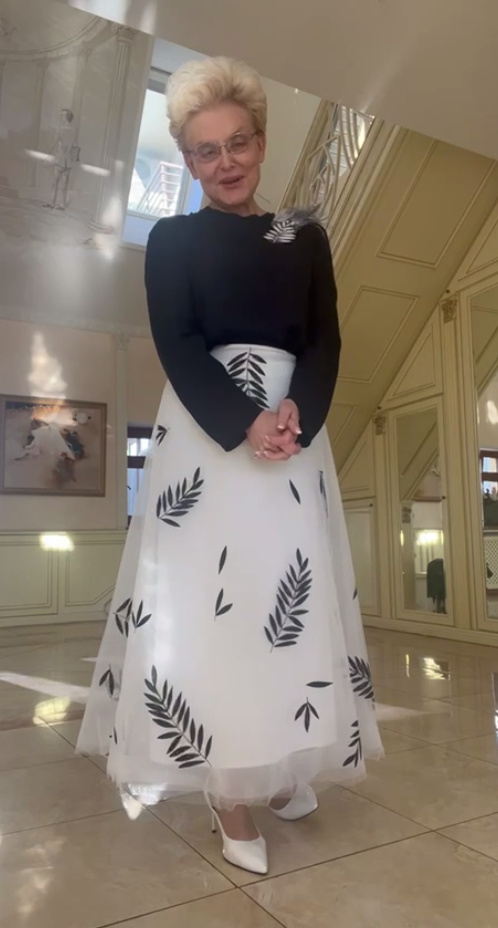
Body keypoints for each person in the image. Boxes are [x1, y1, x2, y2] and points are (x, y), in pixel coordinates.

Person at [78, 56, 382, 876]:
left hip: (292, 436)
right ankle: (228, 791)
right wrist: (243, 419)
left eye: (238, 142)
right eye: (205, 150)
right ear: (186, 160)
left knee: (289, 603)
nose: (225, 162)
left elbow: (324, 339)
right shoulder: (172, 239)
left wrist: (297, 412)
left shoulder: (304, 233)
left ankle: (277, 763)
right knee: (213, 611)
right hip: (209, 434)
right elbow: (177, 343)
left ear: (261, 140)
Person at [44, 109, 80, 210]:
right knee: (64, 184)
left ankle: (52, 202)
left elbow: (54, 143)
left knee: (54, 182)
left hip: (60, 159)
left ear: (66, 117)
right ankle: (62, 204)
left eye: (62, 115)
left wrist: (47, 153)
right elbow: (75, 145)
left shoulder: (59, 129)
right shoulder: (73, 131)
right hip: (68, 160)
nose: (61, 117)